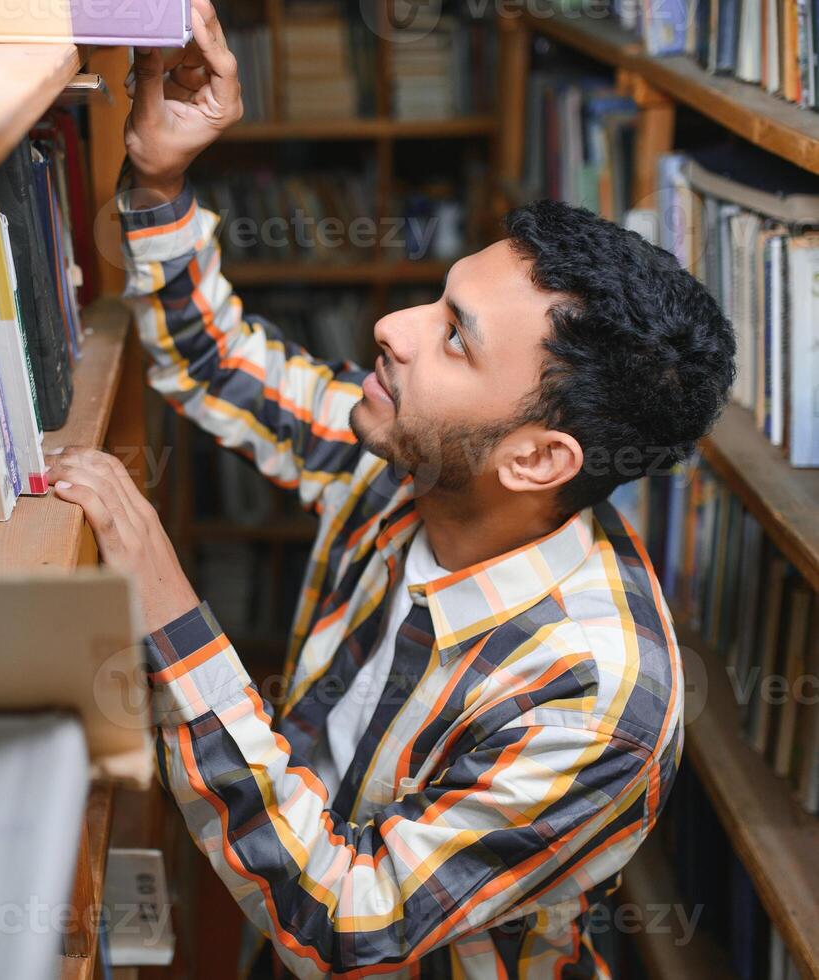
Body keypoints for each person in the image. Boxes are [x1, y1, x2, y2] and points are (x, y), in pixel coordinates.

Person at [46, 2, 735, 976]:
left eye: (455, 334)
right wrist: (159, 177)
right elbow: (222, 364)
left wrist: (168, 611)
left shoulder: (595, 695)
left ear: (538, 460)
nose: (397, 326)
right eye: (439, 298)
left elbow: (350, 922)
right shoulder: (420, 461)